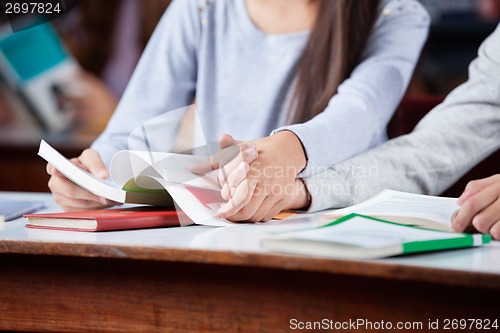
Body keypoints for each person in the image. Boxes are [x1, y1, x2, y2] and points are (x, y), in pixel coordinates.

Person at [47, 0, 430, 212]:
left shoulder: (396, 14)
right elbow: (130, 130)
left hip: (341, 218)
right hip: (228, 224)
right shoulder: (200, 8)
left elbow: (359, 114)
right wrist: (90, 175)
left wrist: (283, 151)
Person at [261, 23, 499, 239]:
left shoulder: (394, 15)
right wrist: (301, 190)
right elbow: (433, 148)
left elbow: (360, 110)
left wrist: (290, 151)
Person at [54, 0, 171, 133]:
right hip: (84, 136)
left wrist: (114, 114)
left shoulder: (183, 13)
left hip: (137, 146)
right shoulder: (91, 9)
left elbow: (186, 128)